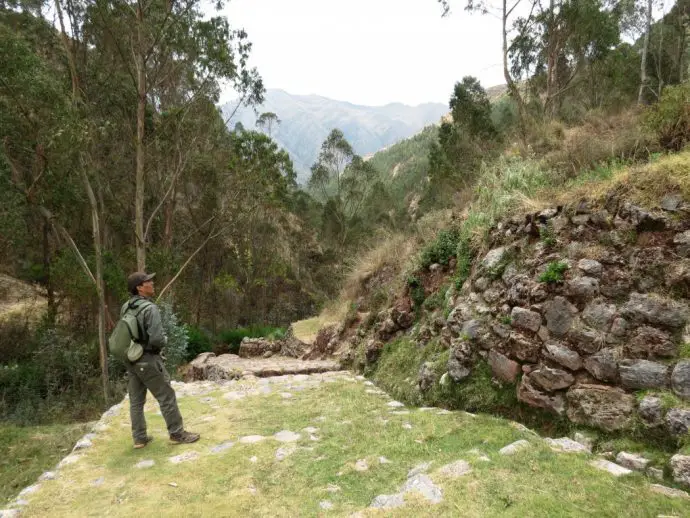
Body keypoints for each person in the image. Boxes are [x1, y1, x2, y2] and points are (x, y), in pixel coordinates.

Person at [122, 272, 199, 449]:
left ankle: (139, 439)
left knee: (136, 401)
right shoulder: (150, 309)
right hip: (148, 359)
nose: (152, 283)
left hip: (131, 359)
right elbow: (156, 339)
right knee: (167, 396)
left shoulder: (126, 307)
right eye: (148, 281)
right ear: (139, 287)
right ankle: (177, 433)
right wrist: (165, 339)